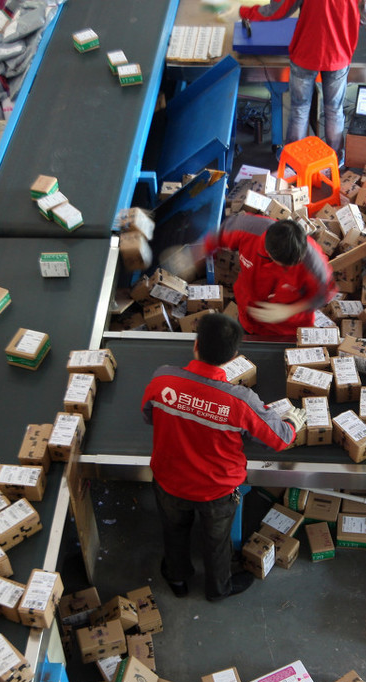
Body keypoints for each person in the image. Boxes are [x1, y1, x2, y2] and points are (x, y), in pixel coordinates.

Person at [141, 313, 306, 601]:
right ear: (233, 357)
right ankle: (218, 589)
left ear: (195, 345)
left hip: (168, 481)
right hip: (216, 491)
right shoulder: (240, 400)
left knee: (173, 532)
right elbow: (280, 438)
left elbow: (148, 416)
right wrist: (293, 421)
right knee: (217, 542)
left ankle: (177, 580)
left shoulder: (162, 379)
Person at [239, 0, 366, 158]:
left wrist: (246, 12)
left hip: (306, 53)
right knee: (334, 110)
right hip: (338, 54)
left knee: (299, 110)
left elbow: (278, 10)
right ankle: (334, 161)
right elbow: (363, 18)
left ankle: (294, 162)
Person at [202, 215, 336, 337]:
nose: (288, 269)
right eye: (284, 265)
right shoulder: (248, 229)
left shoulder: (314, 264)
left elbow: (324, 293)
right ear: (268, 252)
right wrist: (193, 256)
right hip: (249, 316)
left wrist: (289, 310)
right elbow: (218, 237)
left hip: (288, 330)